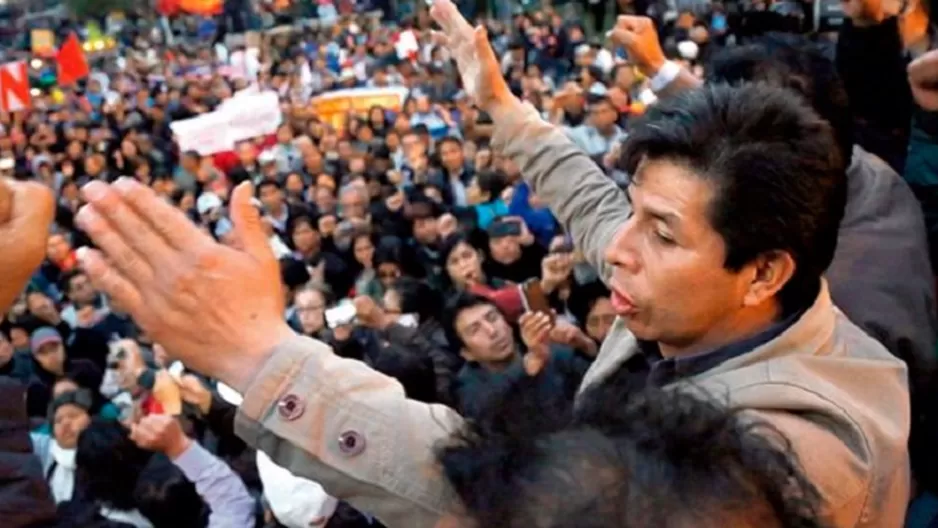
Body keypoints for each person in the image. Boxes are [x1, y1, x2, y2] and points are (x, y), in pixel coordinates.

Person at [65, 5, 909, 528]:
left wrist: (261, 357)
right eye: (635, 208)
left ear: (763, 271)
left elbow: (510, 495)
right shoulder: (707, 291)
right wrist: (505, 113)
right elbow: (591, 199)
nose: (618, 246)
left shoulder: (808, 450)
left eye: (660, 231)